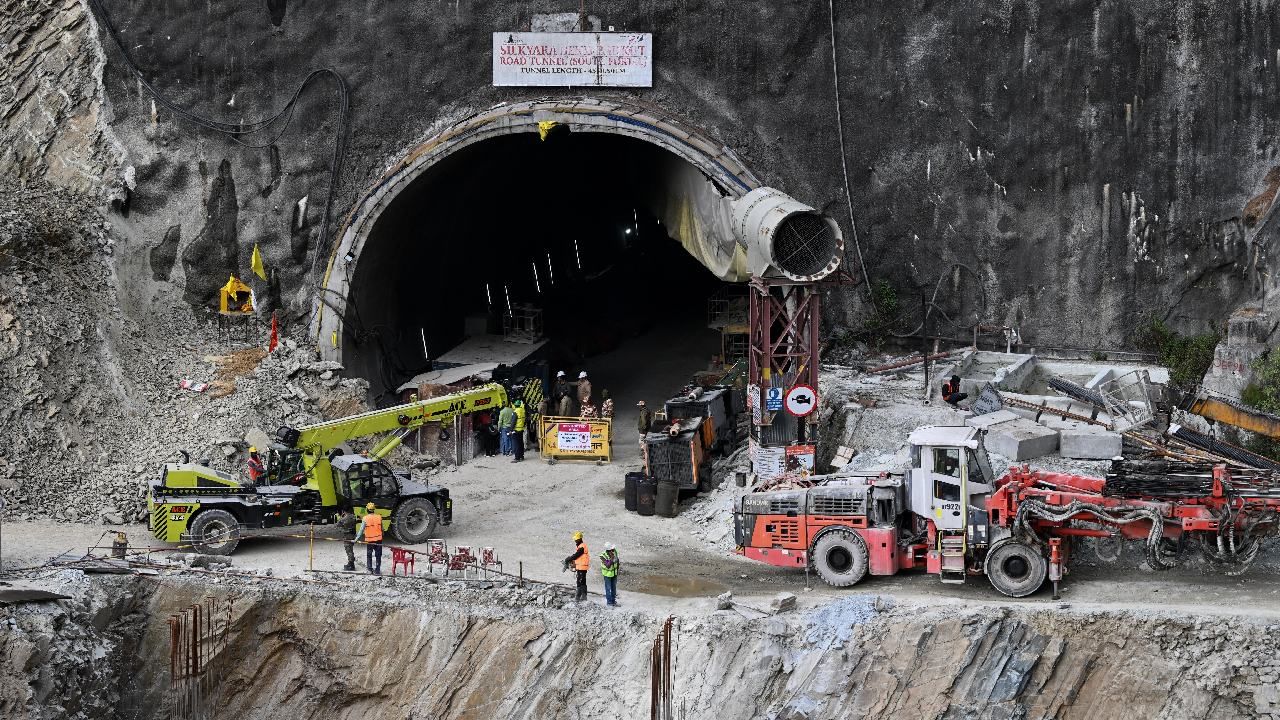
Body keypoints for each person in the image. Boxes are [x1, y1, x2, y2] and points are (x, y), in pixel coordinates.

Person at [562, 531, 589, 602]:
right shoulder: (581, 546)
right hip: (582, 567)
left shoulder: (582, 547)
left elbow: (577, 555)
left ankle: (578, 598)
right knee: (582, 582)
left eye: (576, 539)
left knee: (579, 582)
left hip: (582, 567)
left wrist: (569, 558)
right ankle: (584, 597)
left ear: (579, 539)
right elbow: (578, 556)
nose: (575, 540)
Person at [360, 502, 384, 574]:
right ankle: (377, 570)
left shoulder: (365, 518)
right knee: (378, 555)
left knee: (369, 555)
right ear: (374, 509)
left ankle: (370, 569)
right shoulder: (379, 517)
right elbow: (382, 529)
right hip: (379, 540)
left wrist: (356, 539)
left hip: (370, 540)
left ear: (367, 509)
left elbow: (361, 530)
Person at [599, 542, 620, 607]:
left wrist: (617, 569)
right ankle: (609, 602)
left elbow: (617, 560)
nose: (613, 550)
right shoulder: (603, 556)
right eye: (612, 549)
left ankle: (613, 601)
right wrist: (611, 558)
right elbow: (608, 565)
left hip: (614, 573)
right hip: (607, 575)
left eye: (613, 549)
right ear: (608, 550)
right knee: (608, 588)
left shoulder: (615, 551)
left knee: (614, 588)